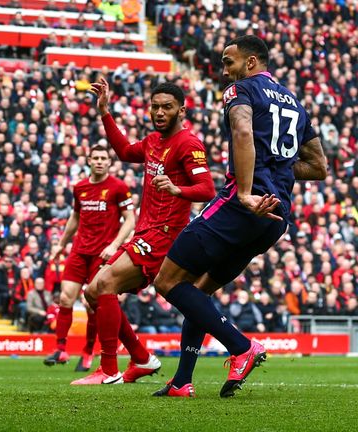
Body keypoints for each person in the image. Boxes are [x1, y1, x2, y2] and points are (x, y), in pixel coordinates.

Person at [151, 35, 327, 398]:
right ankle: (182, 381)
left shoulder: (240, 91)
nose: (223, 69)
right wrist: (277, 168)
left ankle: (241, 347)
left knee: (167, 281)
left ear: (250, 63)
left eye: (228, 62)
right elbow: (319, 166)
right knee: (199, 292)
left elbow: (243, 130)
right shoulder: (296, 104)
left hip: (241, 204)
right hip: (275, 216)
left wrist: (246, 191)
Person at [77, 81, 216, 385]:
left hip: (164, 236)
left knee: (106, 283)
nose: (159, 112)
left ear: (182, 110)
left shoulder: (188, 144)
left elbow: (207, 189)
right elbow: (126, 152)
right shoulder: (154, 140)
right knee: (91, 292)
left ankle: (110, 369)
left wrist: (177, 188)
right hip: (144, 233)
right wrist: (105, 113)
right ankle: (141, 358)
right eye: (155, 106)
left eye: (167, 106)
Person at [43, 145, 136, 373]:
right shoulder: (80, 188)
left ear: (109, 162)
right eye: (95, 158)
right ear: (89, 160)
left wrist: (114, 245)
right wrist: (60, 245)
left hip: (101, 253)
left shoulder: (118, 188)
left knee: (91, 303)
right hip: (79, 251)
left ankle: (87, 351)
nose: (99, 161)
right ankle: (61, 349)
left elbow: (131, 219)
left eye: (103, 158)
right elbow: (75, 218)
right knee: (65, 298)